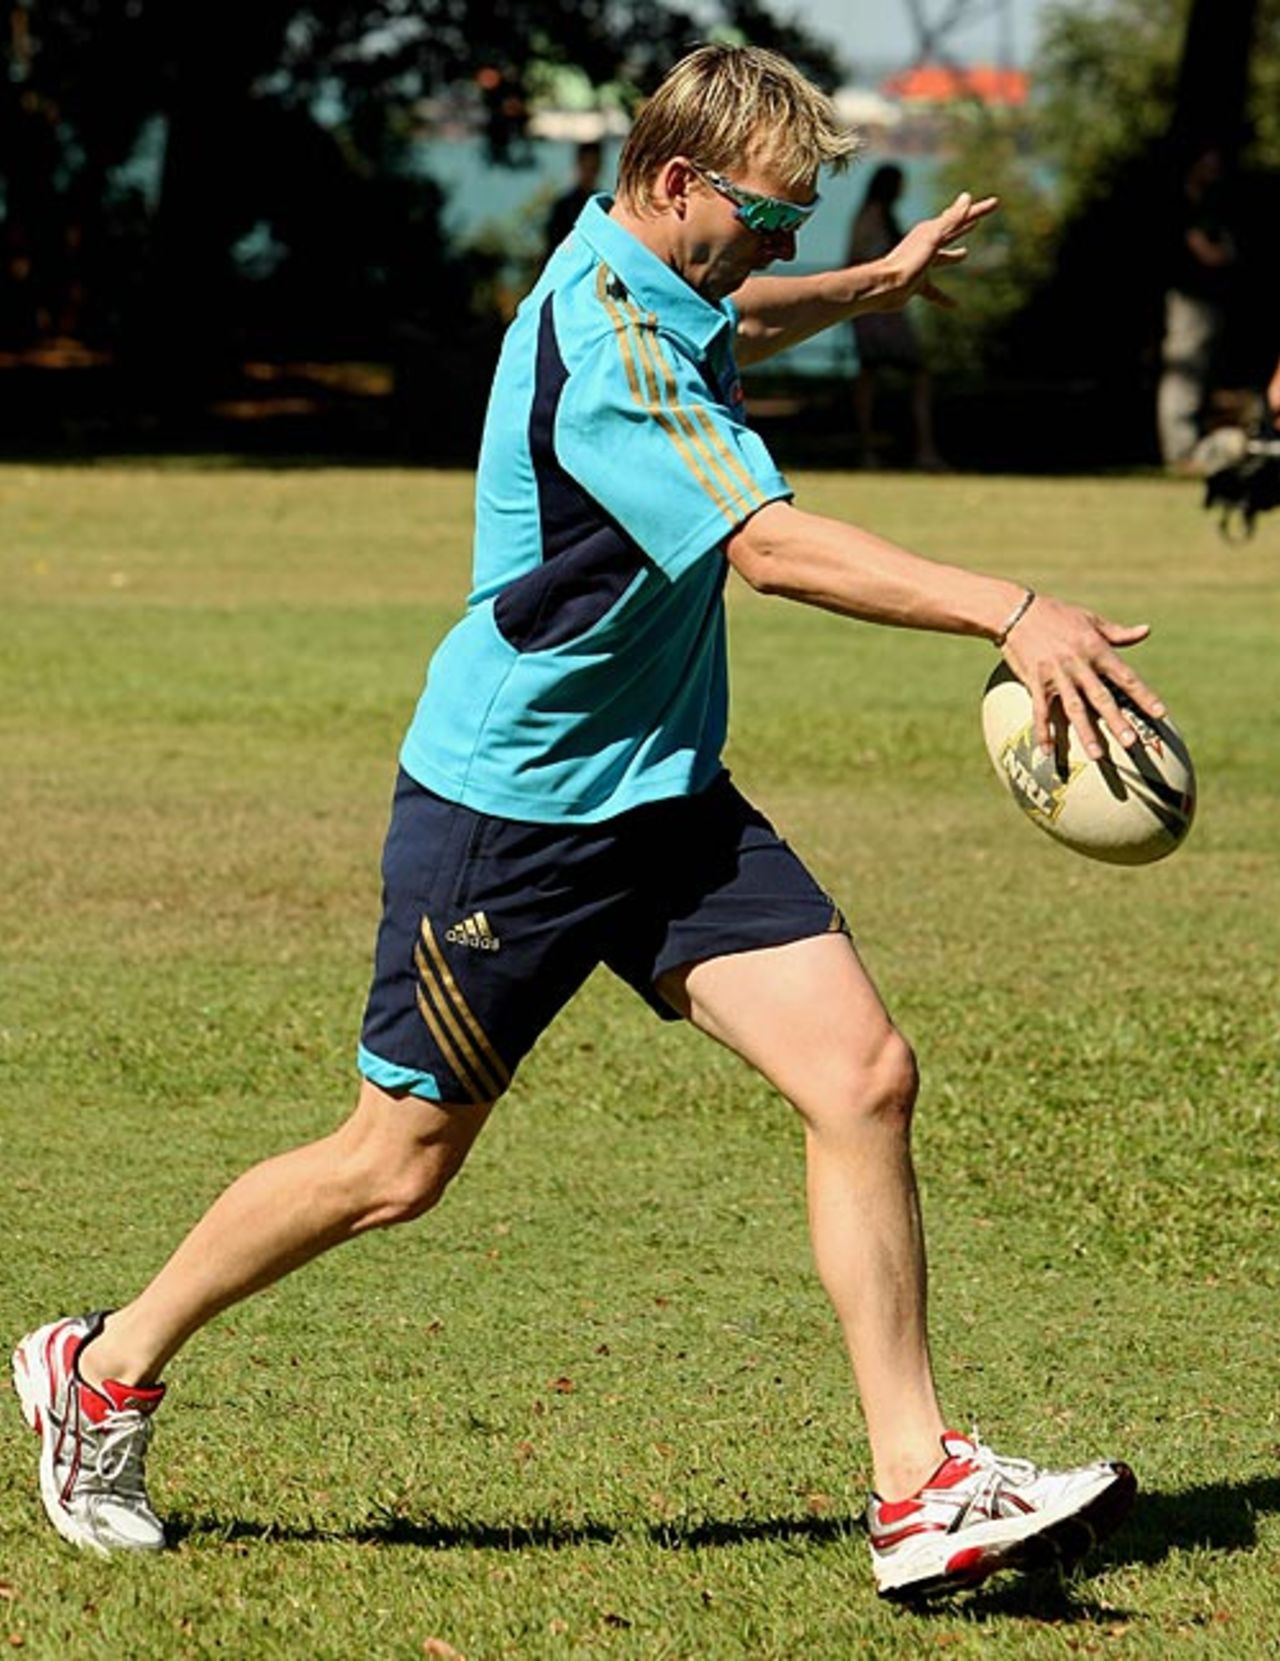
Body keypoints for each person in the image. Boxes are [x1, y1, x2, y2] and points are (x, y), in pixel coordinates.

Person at [13, 44, 1163, 1600]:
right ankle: (103, 1364)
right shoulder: (606, 336)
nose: (780, 250)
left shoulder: (645, 265)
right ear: (679, 183)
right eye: (770, 219)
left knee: (864, 1076)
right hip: (519, 817)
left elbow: (727, 309)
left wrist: (861, 287)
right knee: (395, 1164)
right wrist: (1008, 611)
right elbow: (767, 548)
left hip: (668, 797)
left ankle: (921, 1487)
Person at [847, 163, 946, 470]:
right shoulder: (875, 217)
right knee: (909, 374)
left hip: (875, 308)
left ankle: (877, 450)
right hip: (879, 309)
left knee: (872, 376)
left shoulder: (871, 215)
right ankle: (918, 449)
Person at [1157, 145, 1240, 468]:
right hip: (1189, 299)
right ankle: (1180, 451)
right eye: (1210, 162)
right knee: (1184, 369)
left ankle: (1188, 447)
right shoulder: (1184, 205)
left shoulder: (1209, 204)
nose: (1215, 169)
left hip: (1207, 298)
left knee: (1197, 370)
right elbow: (1209, 252)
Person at [545, 138, 604, 259]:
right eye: (587, 166)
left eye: (593, 167)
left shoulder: (603, 205)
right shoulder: (563, 206)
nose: (590, 173)